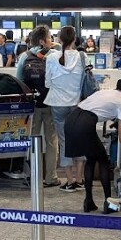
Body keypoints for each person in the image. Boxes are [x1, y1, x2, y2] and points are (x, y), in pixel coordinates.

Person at [65, 76, 121, 214]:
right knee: (103, 161)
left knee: (91, 159)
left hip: (71, 120)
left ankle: (88, 202)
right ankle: (108, 203)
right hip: (85, 124)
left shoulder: (108, 92)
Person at [16, 26, 59, 188]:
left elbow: (19, 80)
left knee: (31, 139)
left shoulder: (24, 56)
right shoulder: (55, 55)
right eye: (49, 37)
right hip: (50, 103)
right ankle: (51, 177)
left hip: (31, 105)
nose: (51, 40)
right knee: (51, 141)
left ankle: (32, 175)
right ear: (42, 40)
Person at [45, 26, 86, 192]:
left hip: (57, 103)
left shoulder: (51, 57)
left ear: (59, 39)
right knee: (79, 139)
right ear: (75, 39)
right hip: (77, 104)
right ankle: (80, 179)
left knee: (64, 142)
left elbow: (47, 83)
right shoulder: (82, 56)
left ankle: (69, 182)